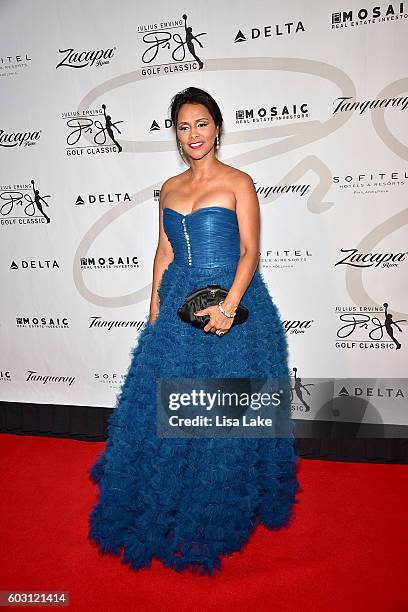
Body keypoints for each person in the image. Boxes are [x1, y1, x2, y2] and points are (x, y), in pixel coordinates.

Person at [88, 86, 301, 576]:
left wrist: (229, 306)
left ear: (218, 127)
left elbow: (250, 251)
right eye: (183, 127)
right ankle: (170, 494)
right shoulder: (169, 187)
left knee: (225, 408)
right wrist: (154, 313)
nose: (193, 135)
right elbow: (163, 254)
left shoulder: (238, 182)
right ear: (177, 135)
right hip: (178, 305)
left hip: (234, 305)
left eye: (201, 123)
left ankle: (219, 503)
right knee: (170, 403)